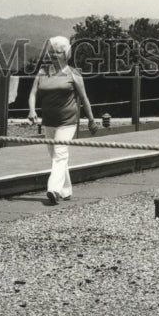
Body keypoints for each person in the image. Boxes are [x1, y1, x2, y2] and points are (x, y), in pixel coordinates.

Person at [27, 35, 97, 205]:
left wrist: (91, 119)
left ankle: (53, 190)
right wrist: (31, 110)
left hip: (68, 121)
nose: (53, 55)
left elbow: (84, 98)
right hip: (49, 121)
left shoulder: (73, 74)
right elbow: (33, 93)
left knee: (60, 153)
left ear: (66, 54)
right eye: (51, 52)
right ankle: (66, 191)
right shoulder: (43, 72)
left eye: (58, 52)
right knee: (56, 155)